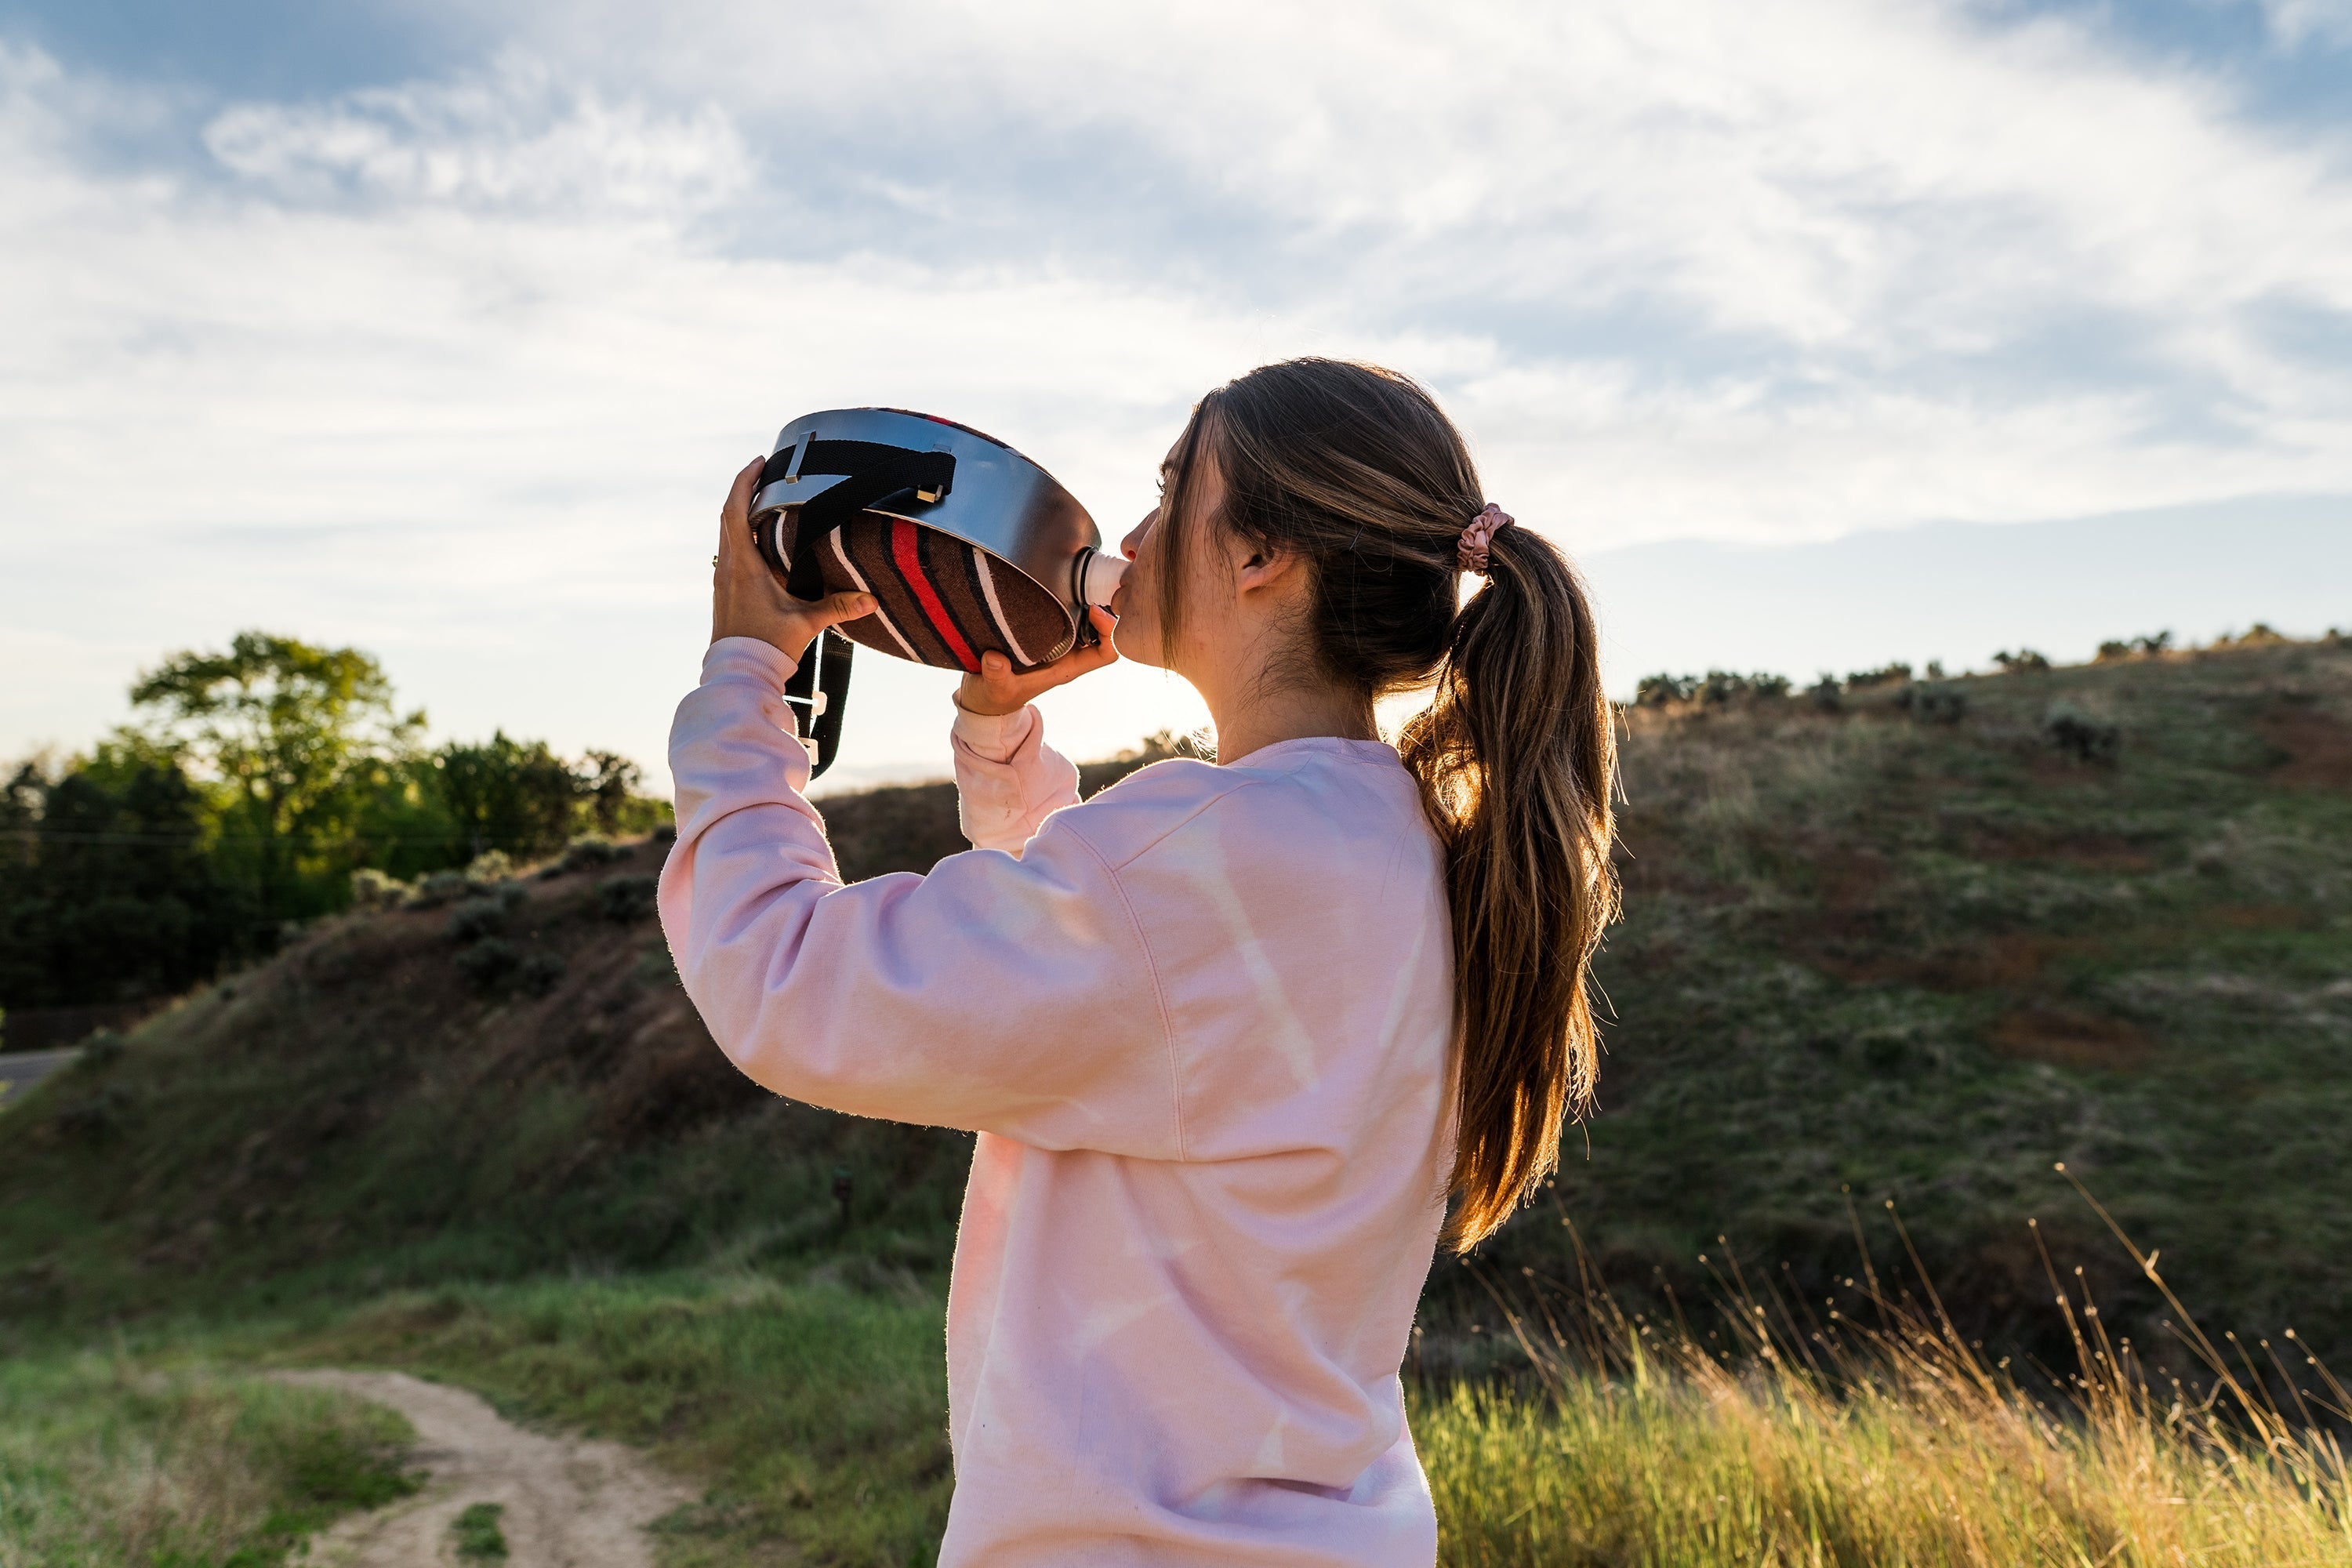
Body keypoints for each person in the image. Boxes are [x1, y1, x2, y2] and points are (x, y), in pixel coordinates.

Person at [659, 358, 1617, 1566]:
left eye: (1173, 490)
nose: (1137, 531)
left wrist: (748, 674)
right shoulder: (1413, 850)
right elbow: (1130, 998)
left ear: (1262, 553)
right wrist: (999, 732)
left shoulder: (1205, 864)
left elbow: (785, 981)